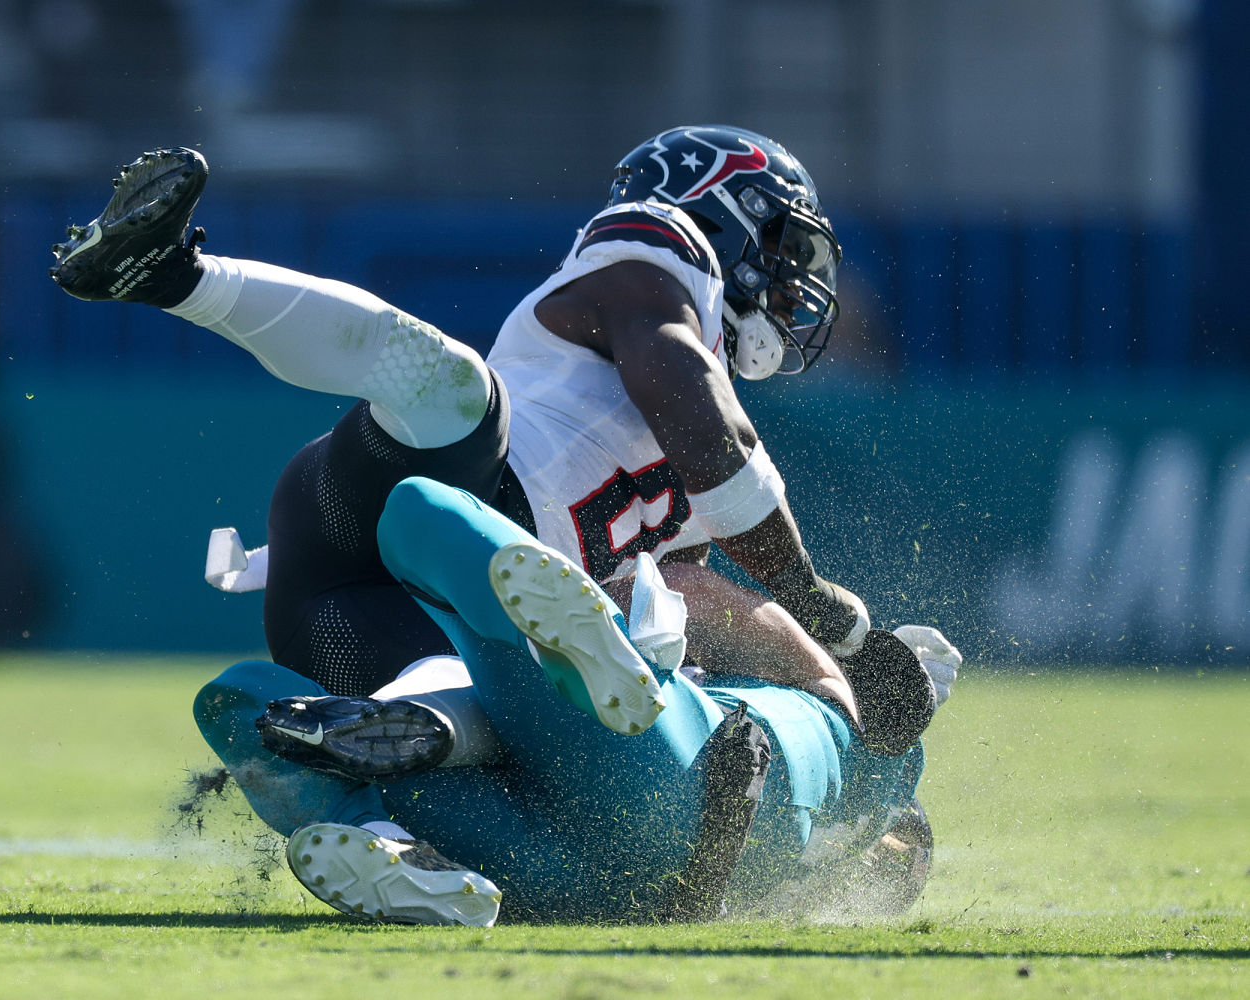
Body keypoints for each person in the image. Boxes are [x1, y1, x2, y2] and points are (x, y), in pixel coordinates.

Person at [48, 126, 880, 733]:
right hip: (427, 490)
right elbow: (704, 425)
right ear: (718, 213)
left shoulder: (709, 463)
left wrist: (844, 674)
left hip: (365, 615)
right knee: (455, 390)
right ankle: (177, 276)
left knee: (487, 727)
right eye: (777, 240)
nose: (790, 282)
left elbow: (678, 603)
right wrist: (808, 595)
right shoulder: (656, 265)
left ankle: (375, 823)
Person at [190, 475, 958, 925]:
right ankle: (399, 846)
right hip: (611, 891)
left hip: (675, 773)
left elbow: (688, 586)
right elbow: (885, 846)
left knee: (414, 511)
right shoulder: (827, 847)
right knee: (251, 703)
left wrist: (844, 644)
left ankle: (375, 813)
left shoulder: (862, 726)